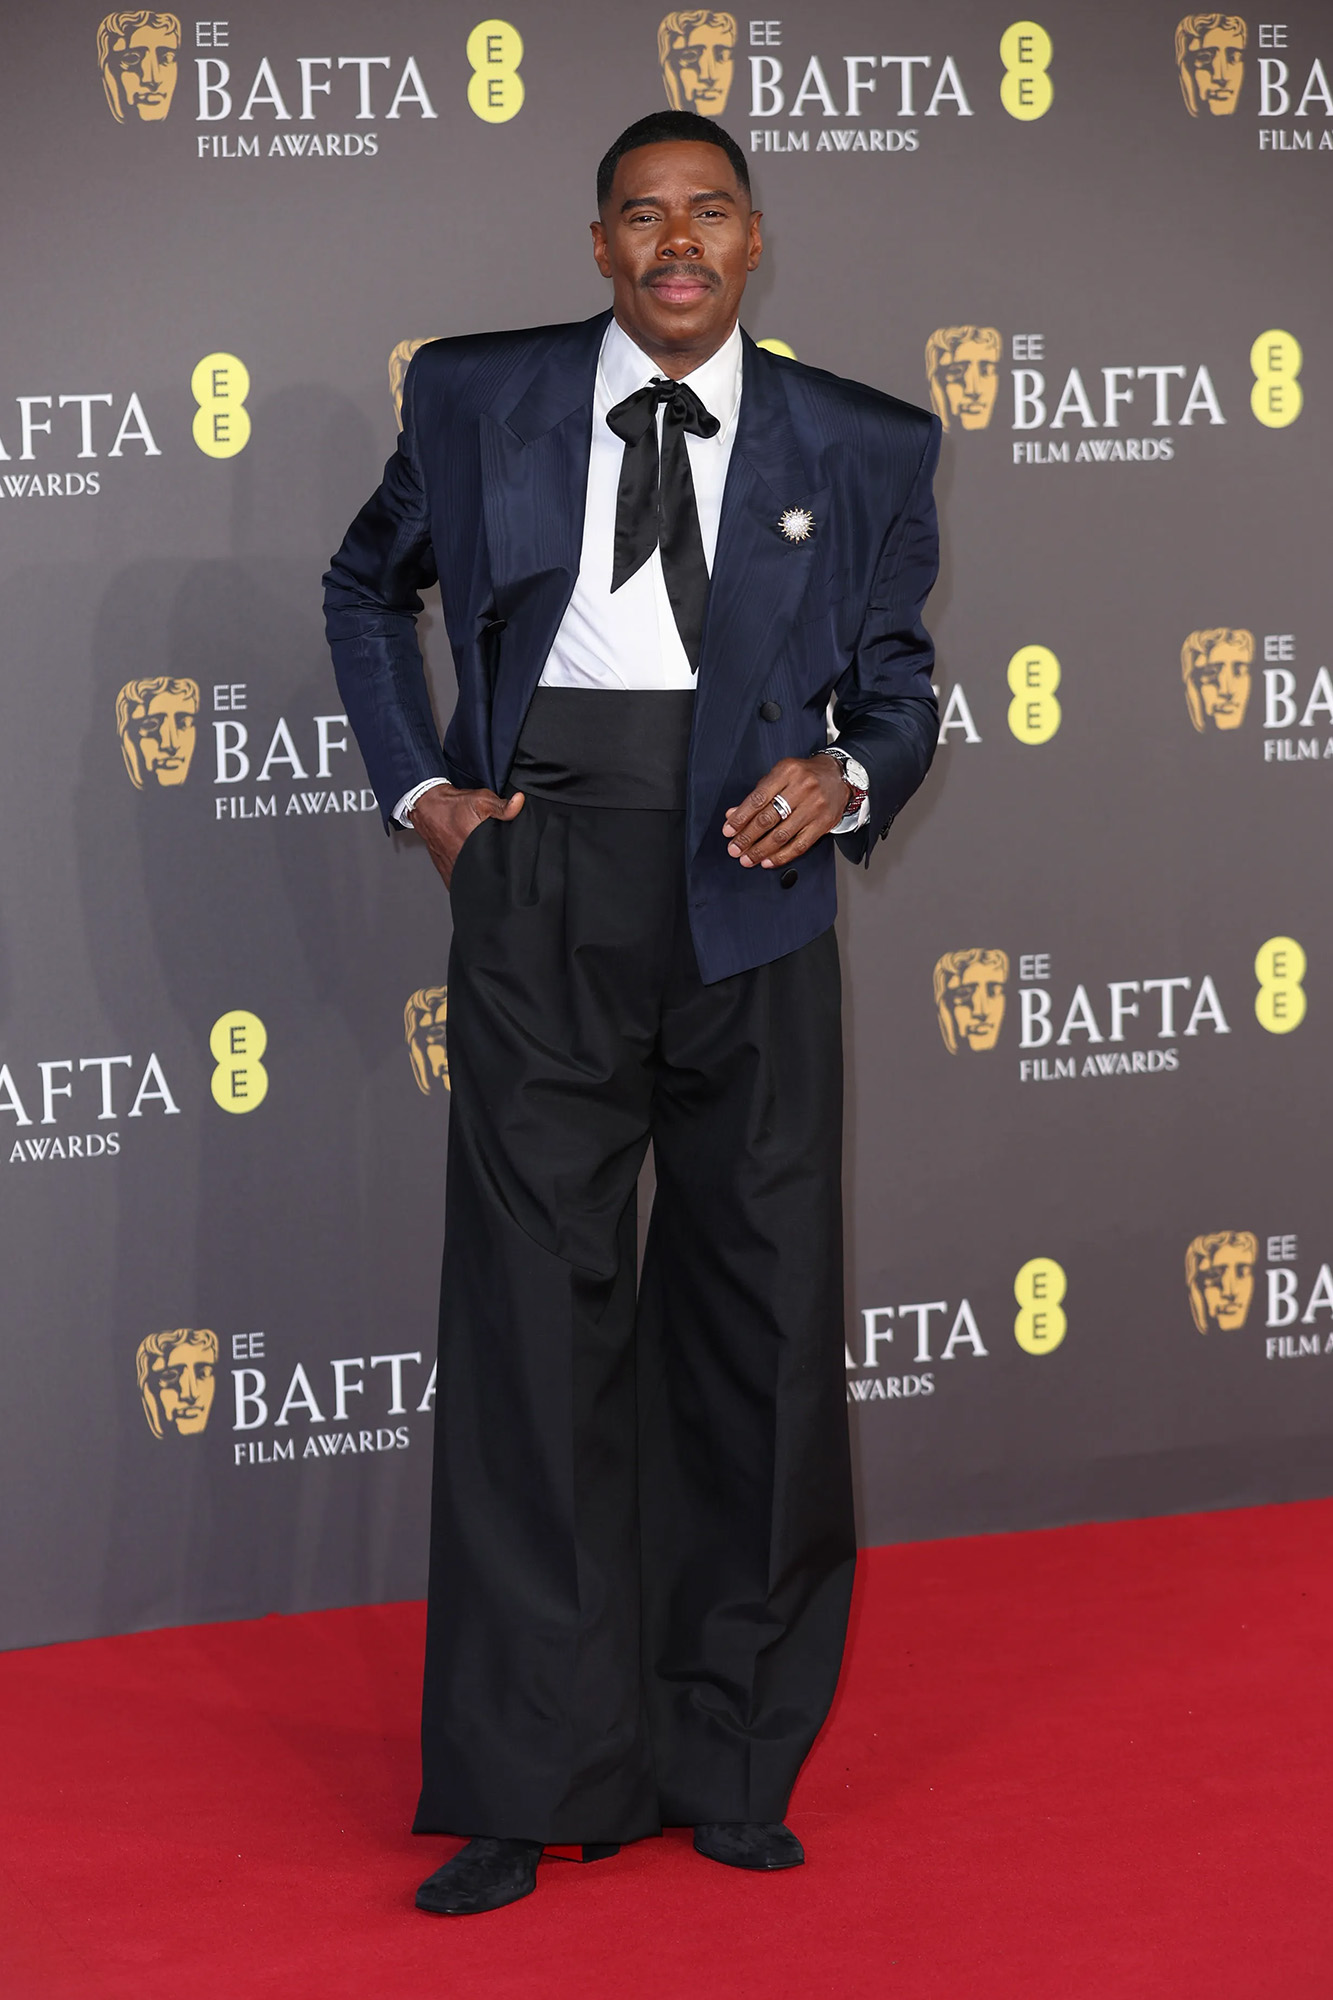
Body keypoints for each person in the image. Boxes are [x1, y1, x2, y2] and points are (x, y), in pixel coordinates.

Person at [324, 107, 941, 1916]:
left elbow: (898, 688)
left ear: (754, 241)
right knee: (532, 1330)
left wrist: (845, 773)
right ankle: (528, 1774)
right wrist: (423, 794)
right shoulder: (473, 395)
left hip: (753, 892)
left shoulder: (866, 439)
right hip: (543, 886)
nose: (678, 243)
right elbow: (363, 589)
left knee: (759, 1321)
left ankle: (727, 1753)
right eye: (642, 216)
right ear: (596, 244)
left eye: (710, 213)